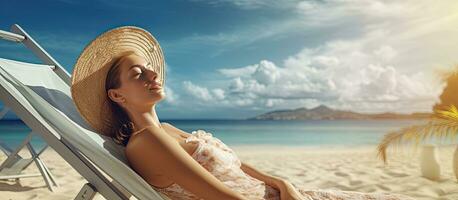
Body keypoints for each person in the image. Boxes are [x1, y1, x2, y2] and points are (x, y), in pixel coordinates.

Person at [70, 26, 416, 200]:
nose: (152, 75)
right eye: (137, 74)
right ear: (116, 95)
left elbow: (233, 168)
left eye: (149, 69)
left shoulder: (168, 130)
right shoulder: (147, 142)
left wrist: (281, 182)